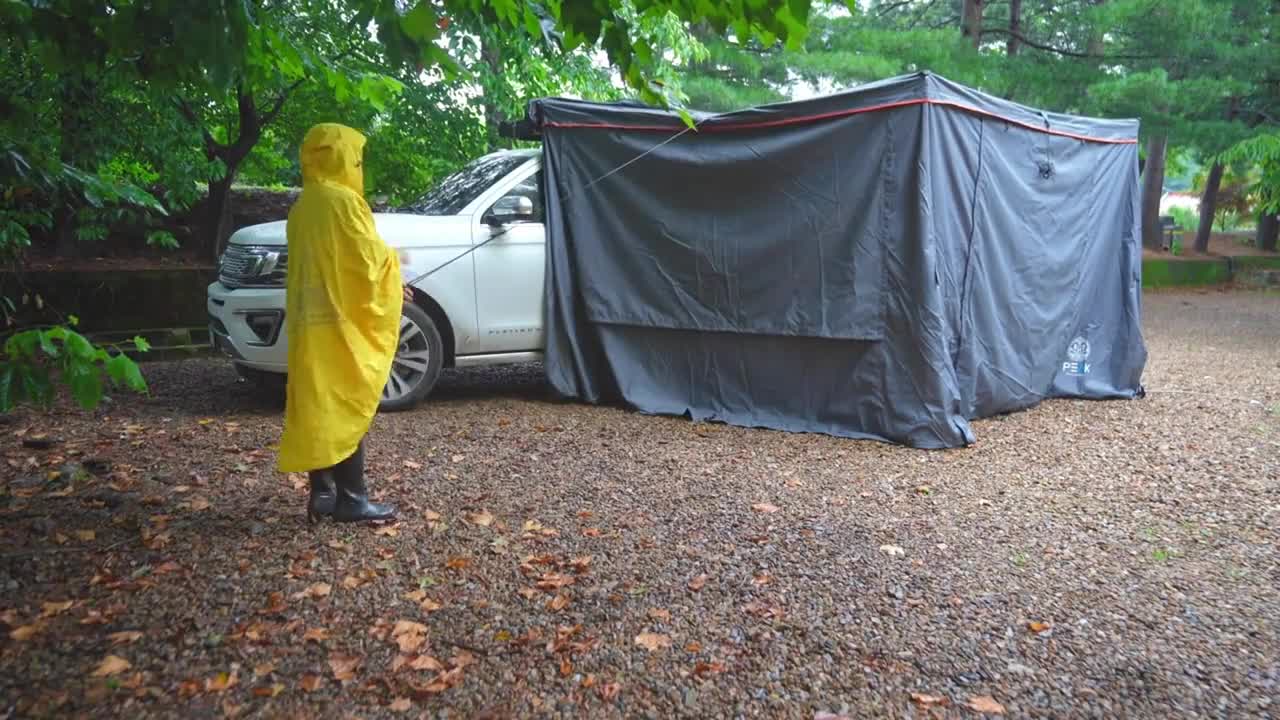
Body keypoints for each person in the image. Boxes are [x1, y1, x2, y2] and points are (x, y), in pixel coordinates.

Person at [275, 123, 409, 524]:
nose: (358, 166)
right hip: (340, 322)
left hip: (308, 321)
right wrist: (396, 274)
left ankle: (322, 493)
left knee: (319, 400)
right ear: (342, 159)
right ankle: (353, 500)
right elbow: (367, 260)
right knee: (347, 398)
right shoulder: (344, 202)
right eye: (356, 159)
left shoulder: (303, 205)